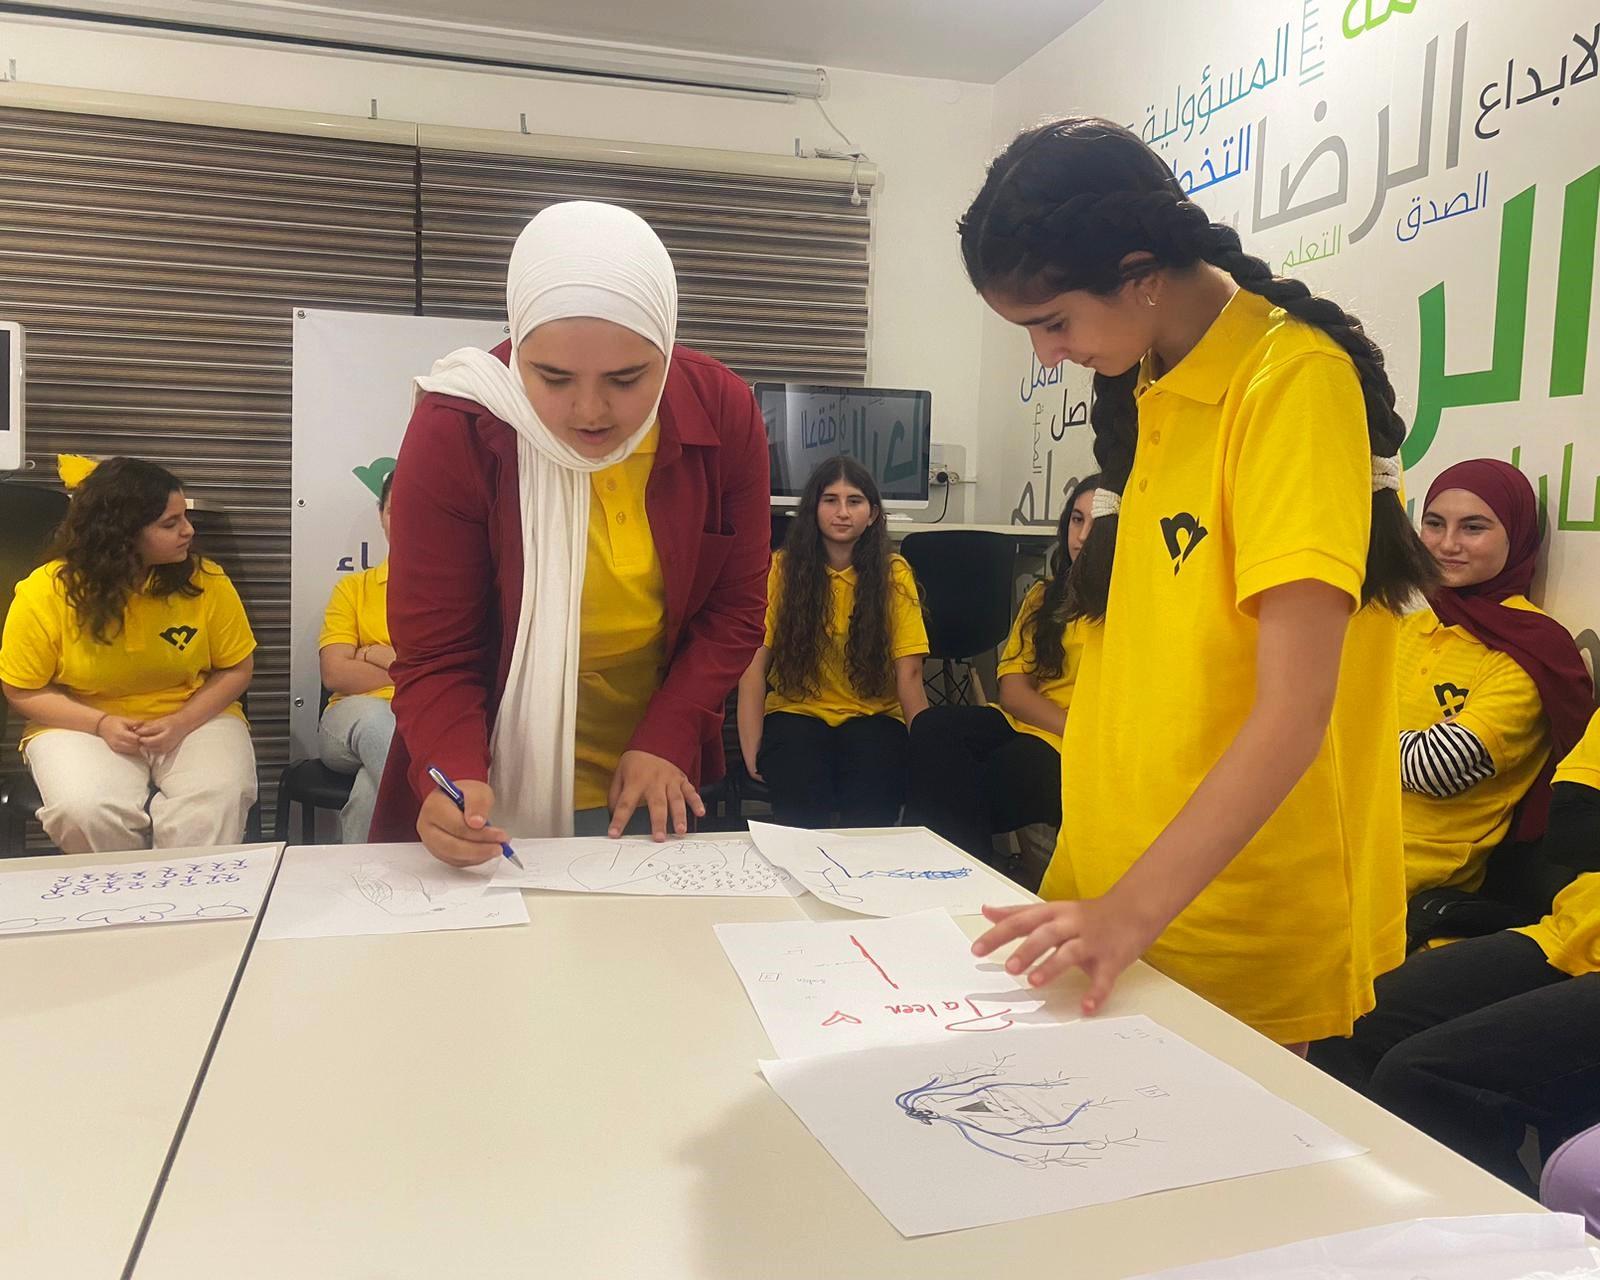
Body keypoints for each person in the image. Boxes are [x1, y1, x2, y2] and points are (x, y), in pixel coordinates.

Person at [961, 116, 1438, 1048]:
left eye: (1053, 323)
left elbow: (1295, 713)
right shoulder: (1149, 377)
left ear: (1140, 273)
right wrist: (1107, 895)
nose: (1046, 356)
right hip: (1110, 879)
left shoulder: (1292, 382)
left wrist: (1131, 910)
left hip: (1227, 913)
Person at [369, 201, 770, 861]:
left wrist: (669, 735)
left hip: (649, 776)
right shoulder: (457, 425)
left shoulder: (722, 411)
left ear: (667, 346)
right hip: (490, 767)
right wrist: (455, 774)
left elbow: (735, 611)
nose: (590, 411)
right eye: (552, 377)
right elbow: (438, 652)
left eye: (627, 379)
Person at [1311, 708, 1600, 1195]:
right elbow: (1573, 830)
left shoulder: (1510, 672)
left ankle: (1506, 1230)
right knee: (1348, 1023)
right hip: (1570, 933)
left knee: (1421, 1076)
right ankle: (1380, 1203)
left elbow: (1437, 763)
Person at [0, 456, 257, 852]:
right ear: (120, 534)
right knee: (86, 809)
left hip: (193, 715)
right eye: (170, 524)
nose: (188, 530)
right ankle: (121, 888)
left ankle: (187, 890)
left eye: (184, 517)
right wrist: (101, 724)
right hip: (80, 722)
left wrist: (182, 722)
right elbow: (22, 689)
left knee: (217, 799)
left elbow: (236, 668)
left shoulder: (206, 579)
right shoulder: (44, 592)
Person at [1399, 460, 1592, 901]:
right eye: (1434, 523)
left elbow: (1436, 768)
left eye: (1473, 528)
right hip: (1333, 836)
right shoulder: (1405, 627)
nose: (1448, 544)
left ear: (1517, 537)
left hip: (1415, 872)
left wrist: (1338, 734)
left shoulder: (1533, 647)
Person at [902, 474, 1099, 873]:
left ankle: (950, 879)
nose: (1081, 537)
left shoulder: (1129, 607)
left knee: (971, 782)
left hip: (1076, 746)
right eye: (1077, 520)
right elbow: (1012, 691)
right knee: (931, 727)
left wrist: (1077, 733)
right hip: (1023, 722)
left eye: (1097, 525)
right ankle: (953, 874)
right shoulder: (1045, 597)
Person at [736, 457, 930, 827]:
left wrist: (925, 752)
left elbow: (910, 675)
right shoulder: (782, 569)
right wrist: (750, 746)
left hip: (873, 716)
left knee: (873, 796)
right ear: (813, 509)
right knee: (799, 789)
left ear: (872, 514)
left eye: (854, 501)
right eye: (830, 500)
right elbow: (753, 668)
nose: (842, 512)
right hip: (796, 714)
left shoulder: (894, 573)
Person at [316, 471, 398, 844]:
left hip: (424, 720)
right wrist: (408, 668)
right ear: (381, 515)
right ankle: (434, 818)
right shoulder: (354, 588)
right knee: (381, 722)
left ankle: (361, 873)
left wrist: (375, 655)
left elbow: (453, 674)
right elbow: (335, 673)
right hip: (350, 720)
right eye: (394, 511)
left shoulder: (453, 593)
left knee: (371, 787)